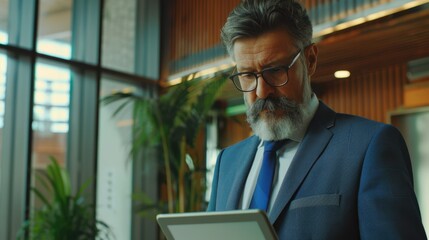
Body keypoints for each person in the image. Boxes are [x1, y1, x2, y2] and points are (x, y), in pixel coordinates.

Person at [207, 0, 427, 239]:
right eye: (248, 75)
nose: (261, 92)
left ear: (310, 60)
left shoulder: (370, 147)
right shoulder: (226, 162)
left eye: (275, 70)